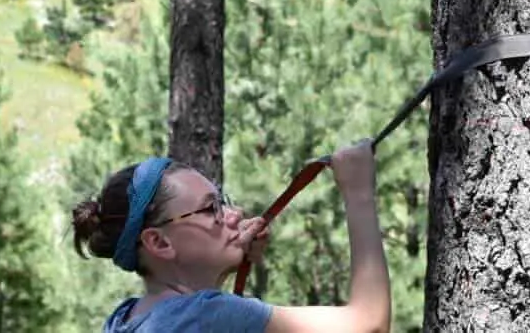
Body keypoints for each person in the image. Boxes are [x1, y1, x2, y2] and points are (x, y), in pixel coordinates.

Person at [71, 138, 392, 332]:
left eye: (221, 201)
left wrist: (224, 268)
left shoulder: (125, 319)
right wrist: (358, 192)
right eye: (210, 209)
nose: (235, 214)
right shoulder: (206, 316)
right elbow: (367, 325)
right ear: (159, 242)